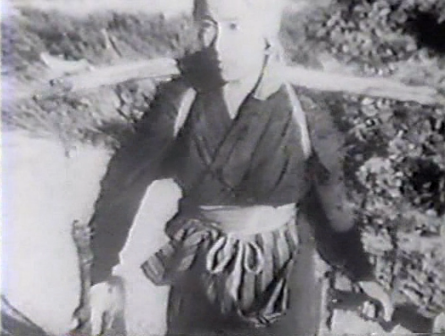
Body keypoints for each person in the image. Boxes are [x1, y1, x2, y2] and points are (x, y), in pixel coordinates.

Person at [81, 0, 394, 335]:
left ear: (267, 29)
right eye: (206, 26)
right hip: (199, 273)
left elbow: (331, 201)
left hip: (285, 274)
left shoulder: (301, 110)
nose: (218, 44)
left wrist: (362, 273)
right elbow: (124, 185)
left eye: (234, 26)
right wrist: (101, 273)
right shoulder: (182, 101)